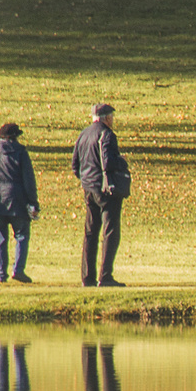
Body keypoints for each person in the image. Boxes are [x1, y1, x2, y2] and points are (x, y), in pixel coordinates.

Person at [71, 102, 130, 287]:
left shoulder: (83, 134)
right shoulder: (107, 134)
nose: (112, 120)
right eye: (111, 116)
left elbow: (75, 165)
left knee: (90, 232)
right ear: (106, 118)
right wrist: (122, 163)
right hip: (106, 189)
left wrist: (86, 180)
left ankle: (87, 277)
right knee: (110, 231)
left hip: (88, 189)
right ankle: (105, 276)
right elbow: (108, 160)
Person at [0, 122, 39, 283]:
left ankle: (1, 275)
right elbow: (29, 181)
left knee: (1, 239)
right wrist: (33, 203)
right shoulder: (21, 153)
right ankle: (18, 270)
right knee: (22, 235)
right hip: (16, 199)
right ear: (15, 137)